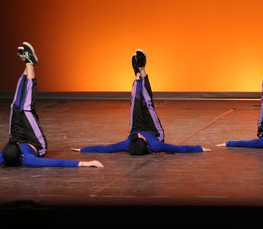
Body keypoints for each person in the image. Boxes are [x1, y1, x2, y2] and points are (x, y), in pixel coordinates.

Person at [74, 50, 210, 155]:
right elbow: (177, 149)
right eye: (140, 137)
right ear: (145, 142)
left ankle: (137, 75)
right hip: (154, 130)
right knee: (147, 102)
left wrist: (82, 149)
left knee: (135, 101)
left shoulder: (128, 143)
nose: (139, 135)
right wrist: (199, 148)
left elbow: (106, 149)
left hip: (136, 126)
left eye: (137, 137)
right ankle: (142, 69)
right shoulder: (156, 145)